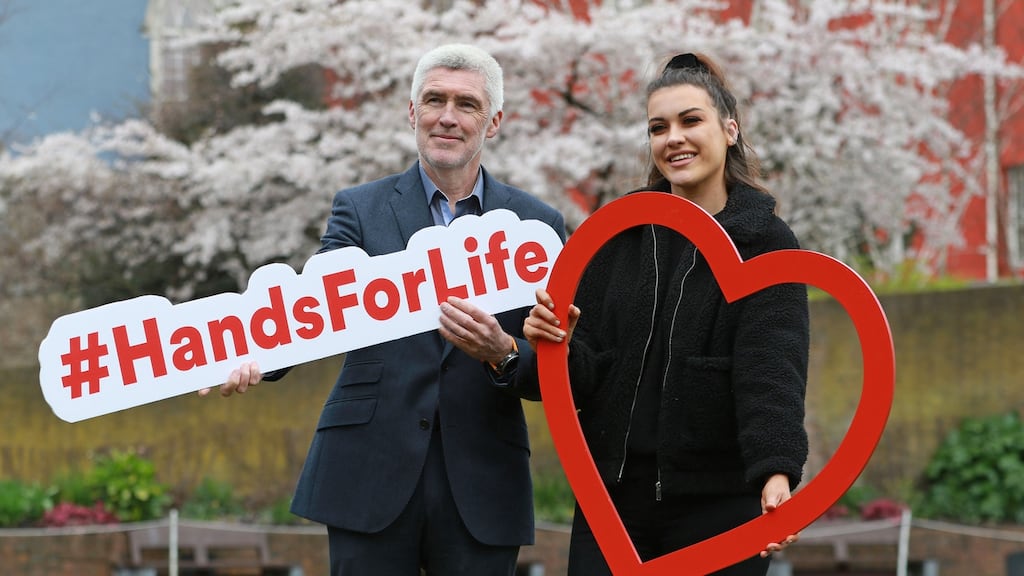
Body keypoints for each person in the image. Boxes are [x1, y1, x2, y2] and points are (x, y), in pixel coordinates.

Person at [207, 43, 566, 575]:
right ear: (412, 113)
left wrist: (504, 353)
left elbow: (557, 368)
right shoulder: (360, 207)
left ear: (493, 123)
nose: (447, 117)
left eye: (466, 105)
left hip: (484, 479)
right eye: (433, 100)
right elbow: (315, 308)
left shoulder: (536, 226)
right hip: (366, 472)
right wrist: (258, 358)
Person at [519, 52, 809, 575]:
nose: (673, 138)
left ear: (730, 129)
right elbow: (584, 372)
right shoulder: (618, 235)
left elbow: (772, 368)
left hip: (719, 508)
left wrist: (776, 473)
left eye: (690, 120)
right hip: (609, 502)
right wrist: (552, 340)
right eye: (658, 127)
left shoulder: (766, 241)